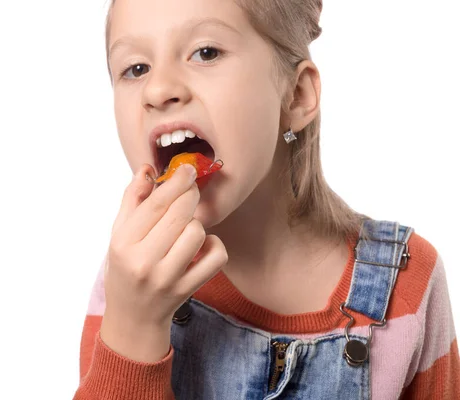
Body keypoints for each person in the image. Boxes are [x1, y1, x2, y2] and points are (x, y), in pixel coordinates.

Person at [73, 0, 460, 398]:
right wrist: (133, 330)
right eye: (136, 68)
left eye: (206, 52)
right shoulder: (130, 277)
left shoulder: (409, 284)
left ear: (295, 96)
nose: (157, 90)